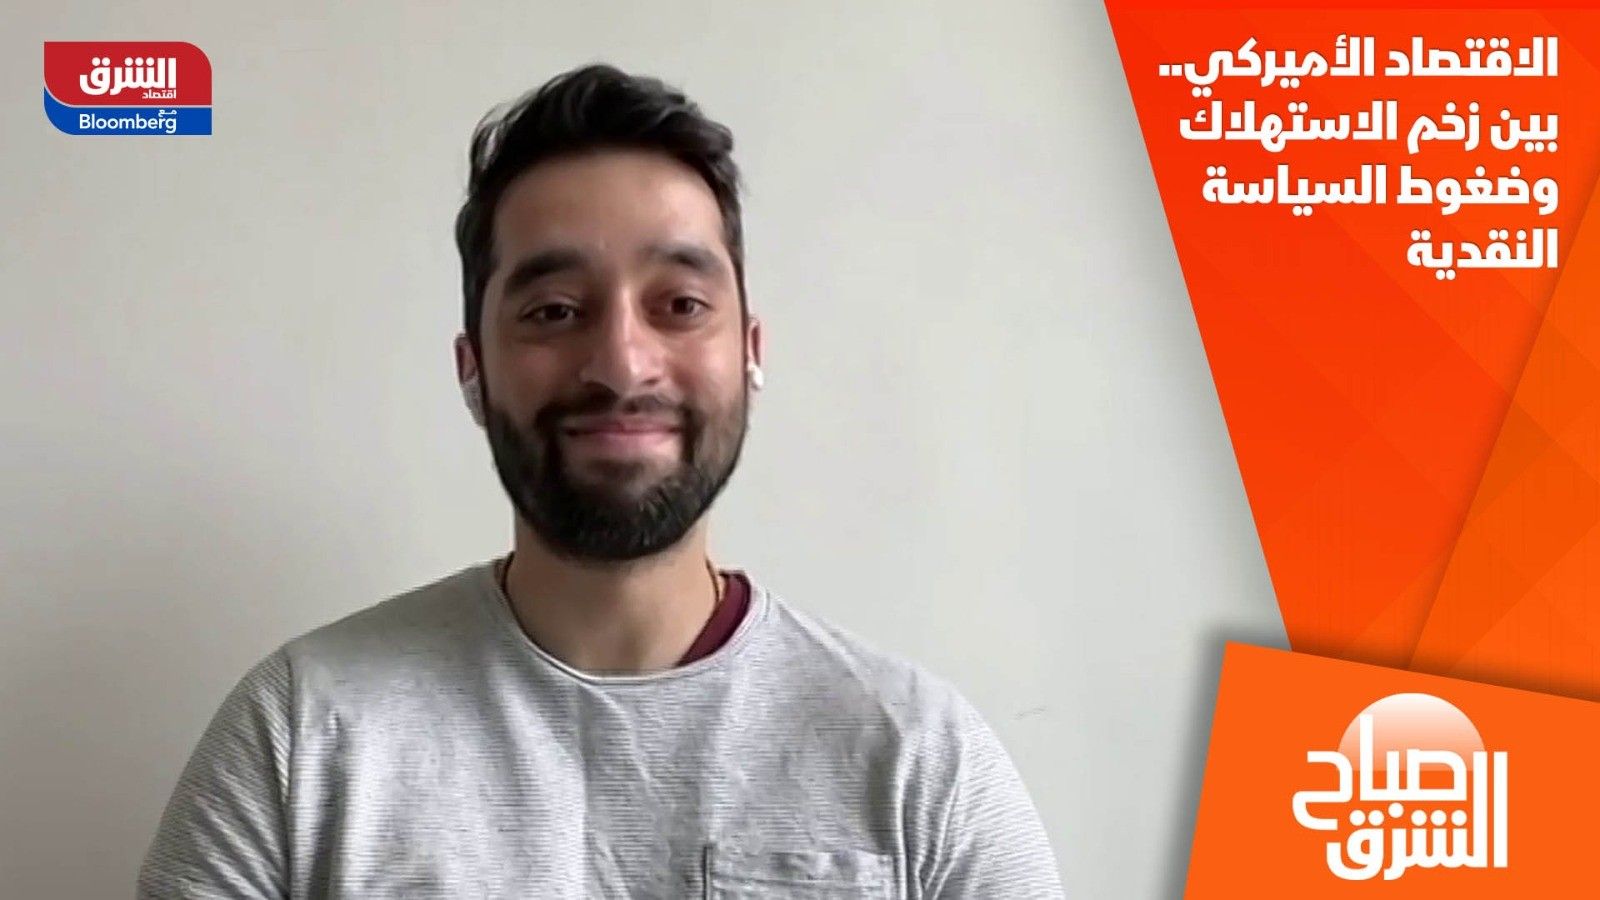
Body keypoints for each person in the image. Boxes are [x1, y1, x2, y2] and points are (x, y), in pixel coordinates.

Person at [136, 62, 1064, 899]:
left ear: (750, 352)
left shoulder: (918, 763)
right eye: (554, 310)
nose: (621, 364)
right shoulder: (300, 737)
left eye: (681, 304)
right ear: (473, 369)